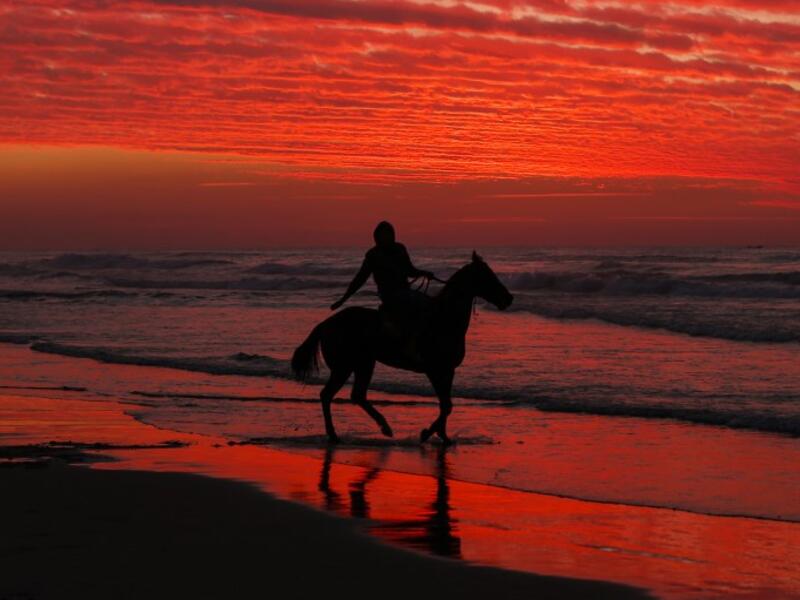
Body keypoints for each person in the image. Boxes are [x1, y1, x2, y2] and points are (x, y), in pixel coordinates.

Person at [330, 222, 435, 325]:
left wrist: (424, 273)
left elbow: (410, 271)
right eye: (383, 235)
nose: (386, 238)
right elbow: (360, 279)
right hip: (389, 294)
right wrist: (343, 300)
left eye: (388, 234)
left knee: (430, 303)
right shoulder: (373, 255)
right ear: (377, 238)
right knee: (416, 303)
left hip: (405, 291)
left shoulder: (400, 249)